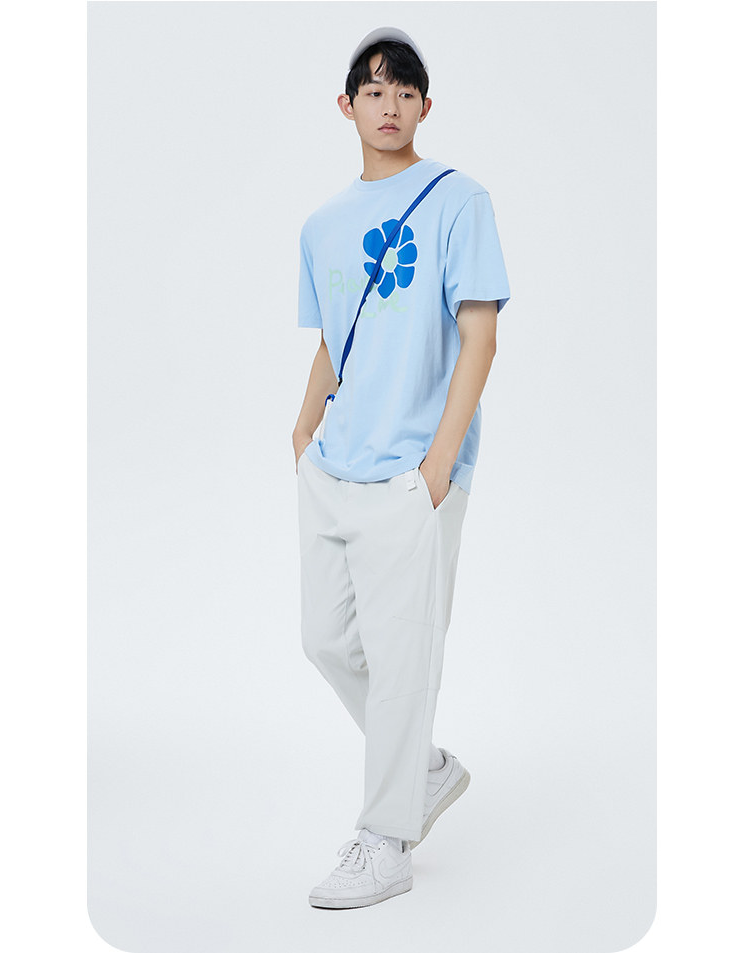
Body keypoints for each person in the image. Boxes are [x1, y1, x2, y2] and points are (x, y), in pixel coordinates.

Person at [293, 26, 511, 909]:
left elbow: (479, 335)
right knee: (325, 639)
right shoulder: (322, 225)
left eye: (406, 91)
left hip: (412, 472)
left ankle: (386, 841)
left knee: (402, 655)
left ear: (426, 106)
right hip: (334, 465)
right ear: (347, 105)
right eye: (374, 91)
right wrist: (302, 429)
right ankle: (422, 767)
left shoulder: (460, 200)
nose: (390, 106)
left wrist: (439, 464)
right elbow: (333, 339)